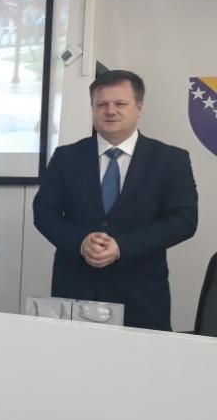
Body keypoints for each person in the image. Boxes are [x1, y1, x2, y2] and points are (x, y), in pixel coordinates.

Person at [33, 70, 198, 331]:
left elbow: (184, 220)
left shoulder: (170, 159)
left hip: (141, 295)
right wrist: (80, 242)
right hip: (75, 289)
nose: (110, 111)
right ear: (93, 109)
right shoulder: (66, 157)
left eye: (120, 103)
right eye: (102, 104)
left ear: (139, 108)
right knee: (71, 357)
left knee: (140, 359)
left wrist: (122, 246)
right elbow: (44, 211)